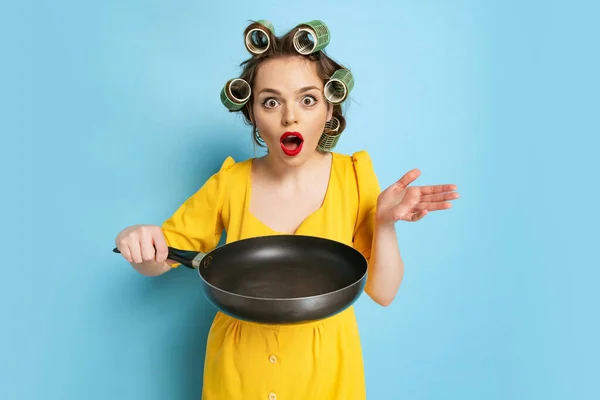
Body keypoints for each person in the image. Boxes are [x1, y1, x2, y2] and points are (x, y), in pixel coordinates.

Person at [114, 20, 459, 400]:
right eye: (271, 101)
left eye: (307, 99)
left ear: (330, 110)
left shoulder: (354, 178)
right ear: (253, 115)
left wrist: (385, 224)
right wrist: (139, 242)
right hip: (239, 373)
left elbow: (383, 291)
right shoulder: (230, 183)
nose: (289, 116)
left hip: (327, 374)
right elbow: (161, 257)